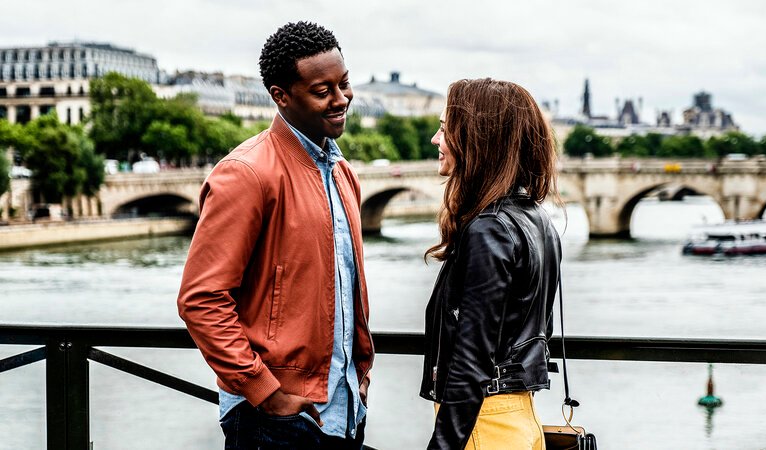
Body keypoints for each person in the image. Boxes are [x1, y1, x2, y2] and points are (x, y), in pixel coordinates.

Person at [177, 21, 373, 450]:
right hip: (273, 419)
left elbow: (344, 290)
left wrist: (360, 374)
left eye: (344, 83)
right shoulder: (245, 173)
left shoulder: (343, 174)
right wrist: (264, 390)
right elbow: (201, 299)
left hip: (342, 412)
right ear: (280, 96)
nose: (342, 100)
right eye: (323, 91)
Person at [420, 78, 562, 450]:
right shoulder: (535, 218)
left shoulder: (489, 229)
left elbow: (471, 362)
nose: (437, 140)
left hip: (485, 426)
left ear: (477, 138)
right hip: (520, 417)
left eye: (444, 129)